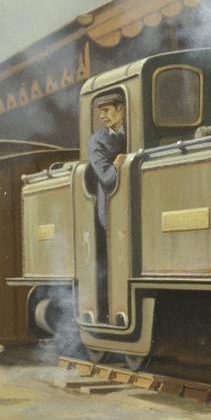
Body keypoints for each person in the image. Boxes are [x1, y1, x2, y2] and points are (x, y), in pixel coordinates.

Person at [85, 93, 126, 323]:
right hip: (111, 207)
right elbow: (106, 177)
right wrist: (117, 167)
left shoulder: (133, 131)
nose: (102, 116)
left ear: (122, 109)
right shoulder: (97, 141)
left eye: (107, 110)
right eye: (100, 111)